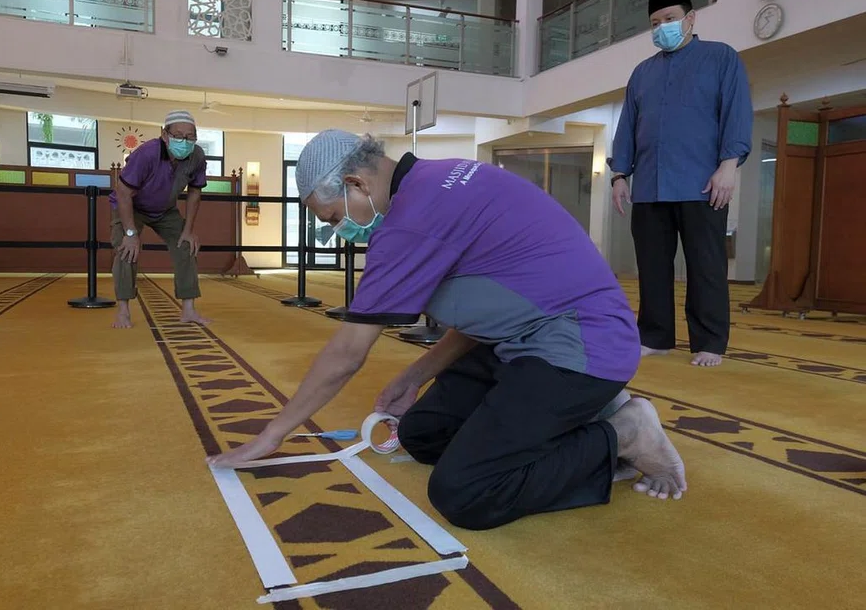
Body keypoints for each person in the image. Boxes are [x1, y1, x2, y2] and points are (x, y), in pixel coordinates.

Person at [208, 130, 687, 530]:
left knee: (464, 491)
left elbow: (346, 355)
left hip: (581, 349)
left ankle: (623, 432)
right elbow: (493, 308)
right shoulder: (436, 180)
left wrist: (271, 436)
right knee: (423, 434)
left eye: (334, 218)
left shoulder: (409, 223)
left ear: (356, 183)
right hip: (522, 340)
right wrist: (415, 376)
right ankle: (569, 421)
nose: (340, 233)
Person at [608, 0, 753, 368]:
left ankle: (709, 342)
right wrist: (619, 174)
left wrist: (728, 166)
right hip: (651, 186)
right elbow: (628, 126)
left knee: (706, 265)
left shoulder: (722, 58)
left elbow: (736, 113)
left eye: (669, 19)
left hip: (703, 184)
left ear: (690, 18)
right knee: (652, 266)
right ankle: (655, 336)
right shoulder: (642, 73)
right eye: (655, 23)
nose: (662, 28)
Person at [109, 110, 211, 329]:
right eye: (178, 135)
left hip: (165, 210)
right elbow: (123, 192)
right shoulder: (146, 154)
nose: (185, 141)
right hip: (132, 206)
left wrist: (188, 230)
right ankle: (123, 311)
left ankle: (189, 310)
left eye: (190, 136)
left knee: (186, 246)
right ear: (165, 135)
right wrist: (130, 233)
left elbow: (195, 192)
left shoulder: (197, 156)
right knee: (127, 249)